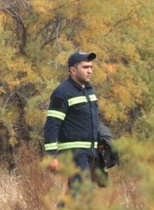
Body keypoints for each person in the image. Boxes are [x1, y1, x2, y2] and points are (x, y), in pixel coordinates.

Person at [44, 51, 107, 192]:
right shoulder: (62, 92)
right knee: (82, 194)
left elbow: (89, 121)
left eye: (91, 67)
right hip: (74, 153)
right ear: (73, 70)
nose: (89, 71)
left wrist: (100, 143)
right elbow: (51, 125)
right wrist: (52, 156)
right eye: (85, 67)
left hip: (91, 152)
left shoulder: (89, 90)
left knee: (77, 195)